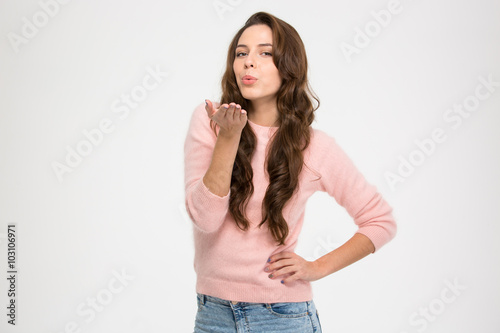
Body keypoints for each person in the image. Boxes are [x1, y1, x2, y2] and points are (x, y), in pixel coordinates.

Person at [184, 11, 397, 333]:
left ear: (289, 66)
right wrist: (229, 138)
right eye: (241, 53)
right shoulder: (210, 122)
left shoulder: (314, 147)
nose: (248, 62)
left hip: (282, 315)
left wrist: (317, 267)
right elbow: (205, 218)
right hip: (213, 312)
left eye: (264, 53)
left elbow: (380, 221)